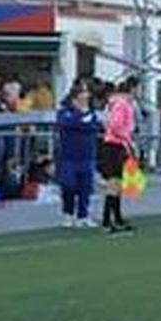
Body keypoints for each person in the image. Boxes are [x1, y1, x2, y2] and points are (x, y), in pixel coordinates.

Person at [55, 85, 99, 229]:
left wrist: (81, 123)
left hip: (87, 155)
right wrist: (81, 119)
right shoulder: (64, 112)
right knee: (68, 185)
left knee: (85, 188)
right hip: (68, 156)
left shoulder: (91, 113)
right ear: (74, 99)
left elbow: (93, 127)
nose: (85, 101)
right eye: (82, 98)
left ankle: (83, 216)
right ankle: (68, 213)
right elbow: (67, 124)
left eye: (86, 98)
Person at [99, 79, 138, 234]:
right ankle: (107, 220)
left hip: (116, 145)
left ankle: (116, 217)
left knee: (117, 183)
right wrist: (127, 138)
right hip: (114, 145)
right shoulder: (122, 104)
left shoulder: (116, 103)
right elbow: (115, 125)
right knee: (113, 183)